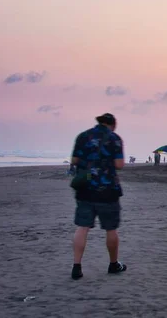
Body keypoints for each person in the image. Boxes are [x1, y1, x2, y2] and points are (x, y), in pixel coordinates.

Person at [70, 113, 127, 280]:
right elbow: (119, 164)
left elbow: (74, 160)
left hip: (86, 189)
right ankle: (113, 263)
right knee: (110, 228)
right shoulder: (115, 138)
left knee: (82, 227)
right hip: (108, 190)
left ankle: (76, 266)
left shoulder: (83, 136)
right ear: (113, 124)